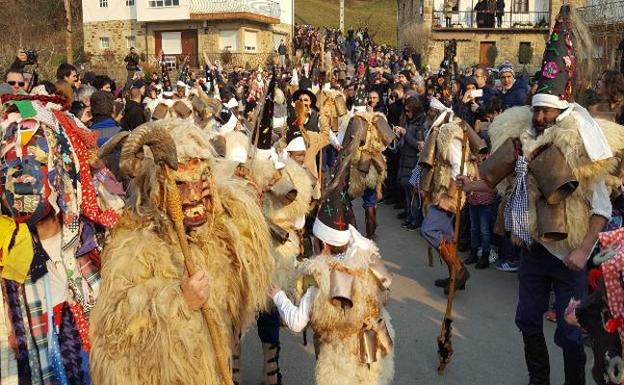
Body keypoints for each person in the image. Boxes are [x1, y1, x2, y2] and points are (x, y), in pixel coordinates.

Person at [456, 7, 624, 384]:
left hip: (569, 256)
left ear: (560, 110)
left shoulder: (580, 149)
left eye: (546, 112)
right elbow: (495, 180)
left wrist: (582, 252)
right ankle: (538, 379)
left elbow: (600, 208)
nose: (540, 116)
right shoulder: (523, 137)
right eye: (537, 110)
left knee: (568, 331)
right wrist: (470, 185)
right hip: (532, 250)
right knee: (527, 320)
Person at [89, 120, 274, 385]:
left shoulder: (210, 235)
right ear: (156, 189)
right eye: (180, 185)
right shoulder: (132, 245)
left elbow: (249, 284)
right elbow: (118, 340)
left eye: (200, 180)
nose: (193, 195)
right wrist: (179, 301)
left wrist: (222, 218)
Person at [268, 176, 395, 385]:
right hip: (371, 348)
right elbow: (386, 292)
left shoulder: (320, 276)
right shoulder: (367, 260)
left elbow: (297, 323)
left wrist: (278, 296)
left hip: (339, 359)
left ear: (323, 243)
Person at [396, 96, 426, 230]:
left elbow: (419, 145)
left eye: (409, 111)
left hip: (413, 162)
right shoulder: (409, 121)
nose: (407, 113)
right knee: (407, 194)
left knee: (414, 194)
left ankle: (416, 219)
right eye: (405, 111)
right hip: (404, 160)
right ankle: (409, 216)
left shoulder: (420, 124)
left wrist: (405, 133)